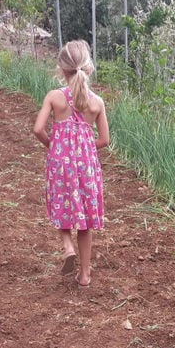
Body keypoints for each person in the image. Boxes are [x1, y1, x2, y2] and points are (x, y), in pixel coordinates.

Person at [32, 40, 109, 287]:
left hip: (60, 165)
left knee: (61, 205)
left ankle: (67, 245)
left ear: (61, 69)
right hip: (87, 167)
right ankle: (85, 275)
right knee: (85, 220)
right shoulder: (96, 103)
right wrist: (84, 152)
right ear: (88, 68)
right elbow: (105, 140)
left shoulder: (55, 97)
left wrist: (55, 146)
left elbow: (38, 129)